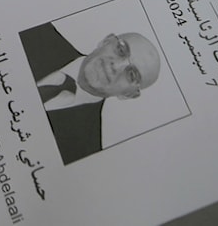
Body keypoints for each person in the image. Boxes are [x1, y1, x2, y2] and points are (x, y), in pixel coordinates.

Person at [19, 21, 161, 164]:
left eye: (131, 75)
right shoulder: (32, 33)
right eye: (121, 51)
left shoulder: (82, 153)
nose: (115, 66)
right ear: (106, 40)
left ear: (128, 95)